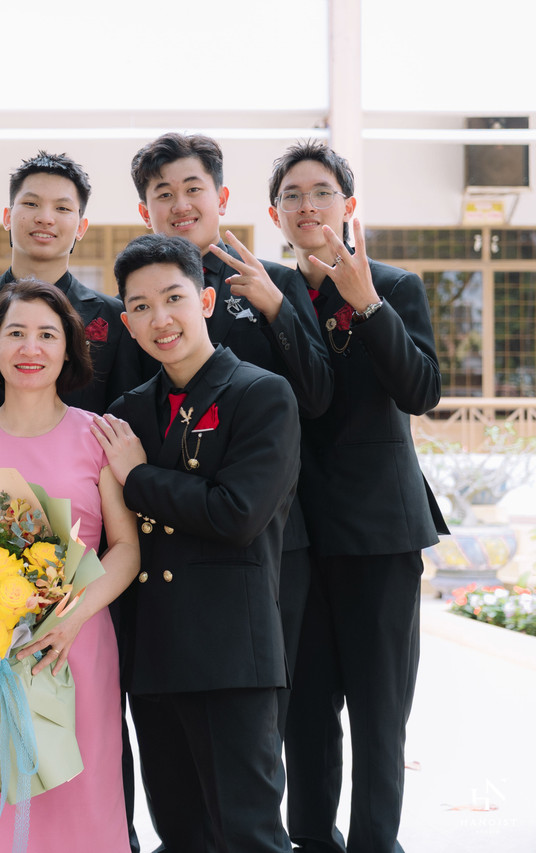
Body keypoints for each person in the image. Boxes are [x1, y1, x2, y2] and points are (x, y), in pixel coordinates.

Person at [266, 140, 448, 853]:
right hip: (299, 534)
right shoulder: (269, 296)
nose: (306, 205)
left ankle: (376, 843)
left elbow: (421, 391)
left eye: (320, 192)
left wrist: (367, 303)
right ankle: (313, 839)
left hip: (381, 531)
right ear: (275, 214)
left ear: (347, 205)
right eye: (291, 195)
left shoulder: (394, 286)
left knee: (380, 711)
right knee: (306, 711)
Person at [95, 233, 298, 853]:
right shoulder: (127, 413)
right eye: (140, 306)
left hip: (230, 653)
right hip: (153, 654)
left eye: (174, 298)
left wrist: (139, 477)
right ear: (127, 324)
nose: (160, 319)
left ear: (205, 301)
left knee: (248, 835)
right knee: (181, 835)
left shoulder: (262, 394)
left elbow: (236, 514)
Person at [131, 131, 331, 758]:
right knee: (175, 726)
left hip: (267, 531)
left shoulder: (272, 282)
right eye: (163, 193)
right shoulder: (138, 299)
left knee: (267, 719)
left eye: (193, 189)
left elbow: (319, 395)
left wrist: (276, 308)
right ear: (144, 210)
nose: (180, 204)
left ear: (220, 198)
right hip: (166, 537)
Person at [0, 278, 139, 852]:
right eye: (15, 333)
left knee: (83, 806)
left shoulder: (98, 438)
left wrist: (71, 618)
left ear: (69, 350)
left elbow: (125, 548)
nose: (30, 348)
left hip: (78, 647)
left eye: (47, 335)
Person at [0, 151, 143, 431]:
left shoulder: (114, 316)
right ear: (7, 217)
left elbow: (123, 418)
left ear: (81, 227)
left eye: (62, 208)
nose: (45, 218)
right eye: (31, 204)